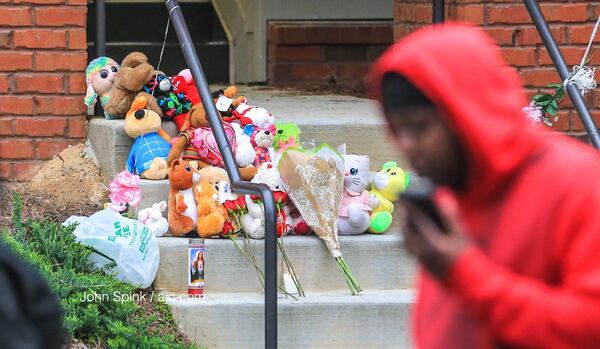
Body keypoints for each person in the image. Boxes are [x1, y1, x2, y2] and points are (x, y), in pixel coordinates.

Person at [370, 23, 600, 349]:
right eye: (397, 130)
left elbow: (591, 326)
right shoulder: (452, 193)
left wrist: (465, 272)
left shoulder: (576, 182)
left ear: (466, 113)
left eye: (420, 128)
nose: (406, 145)